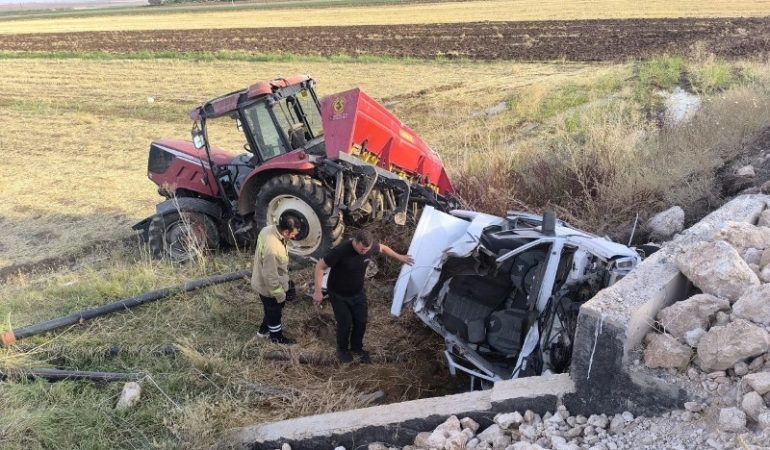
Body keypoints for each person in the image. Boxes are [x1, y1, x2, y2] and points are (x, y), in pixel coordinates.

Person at [312, 230, 414, 363]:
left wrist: (400, 257)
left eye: (367, 249)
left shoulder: (370, 247)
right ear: (355, 242)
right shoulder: (341, 251)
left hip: (358, 292)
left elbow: (383, 248)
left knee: (361, 321)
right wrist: (318, 291)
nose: (364, 252)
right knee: (345, 323)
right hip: (338, 294)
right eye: (362, 249)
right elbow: (320, 266)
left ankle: (357, 348)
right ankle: (342, 350)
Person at [251, 214, 300, 345]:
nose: (294, 237)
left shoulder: (267, 230)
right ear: (285, 231)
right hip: (268, 288)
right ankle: (277, 338)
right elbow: (270, 276)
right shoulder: (272, 249)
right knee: (275, 313)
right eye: (293, 234)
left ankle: (263, 332)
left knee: (269, 310)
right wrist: (280, 295)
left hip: (263, 280)